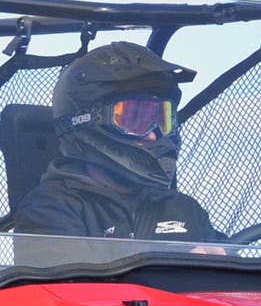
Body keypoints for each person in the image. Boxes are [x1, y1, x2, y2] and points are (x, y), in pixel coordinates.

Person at [13, 42, 216, 242]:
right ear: (86, 121)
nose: (154, 135)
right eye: (135, 118)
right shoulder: (50, 210)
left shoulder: (186, 210)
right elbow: (64, 274)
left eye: (163, 119)